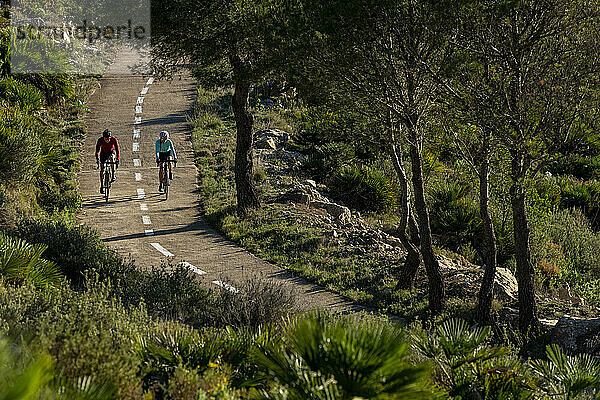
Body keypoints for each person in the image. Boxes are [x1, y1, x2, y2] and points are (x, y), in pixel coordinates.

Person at [95, 129, 120, 194]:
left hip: (111, 152)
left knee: (112, 158)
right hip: (103, 153)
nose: (107, 140)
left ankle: (113, 174)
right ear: (103, 138)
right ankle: (102, 185)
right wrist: (97, 159)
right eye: (105, 138)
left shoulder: (113, 139)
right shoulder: (100, 140)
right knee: (102, 170)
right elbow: (97, 150)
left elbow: (117, 149)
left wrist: (117, 159)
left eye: (108, 138)